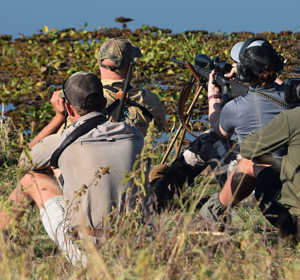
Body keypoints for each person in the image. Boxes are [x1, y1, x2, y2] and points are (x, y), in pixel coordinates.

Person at [0, 72, 152, 265]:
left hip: (90, 254)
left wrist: (58, 118)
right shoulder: (135, 135)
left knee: (31, 178)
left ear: (69, 108)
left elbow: (25, 161)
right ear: (104, 104)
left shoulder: (62, 140)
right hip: (139, 249)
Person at [152, 37, 287, 211]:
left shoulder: (238, 107)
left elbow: (219, 130)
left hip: (251, 191)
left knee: (207, 139)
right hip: (288, 185)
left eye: (236, 64)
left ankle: (161, 195)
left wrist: (213, 95)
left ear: (245, 71)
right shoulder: (292, 96)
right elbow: (276, 86)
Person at [60, 38, 166, 136]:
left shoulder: (84, 97)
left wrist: (59, 117)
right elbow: (159, 130)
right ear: (131, 67)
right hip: (139, 156)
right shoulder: (151, 100)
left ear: (98, 62)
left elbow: (61, 139)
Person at [239, 106, 300, 238]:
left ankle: (214, 210)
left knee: (252, 163)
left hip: (294, 224)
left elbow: (247, 148)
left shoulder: (293, 117)